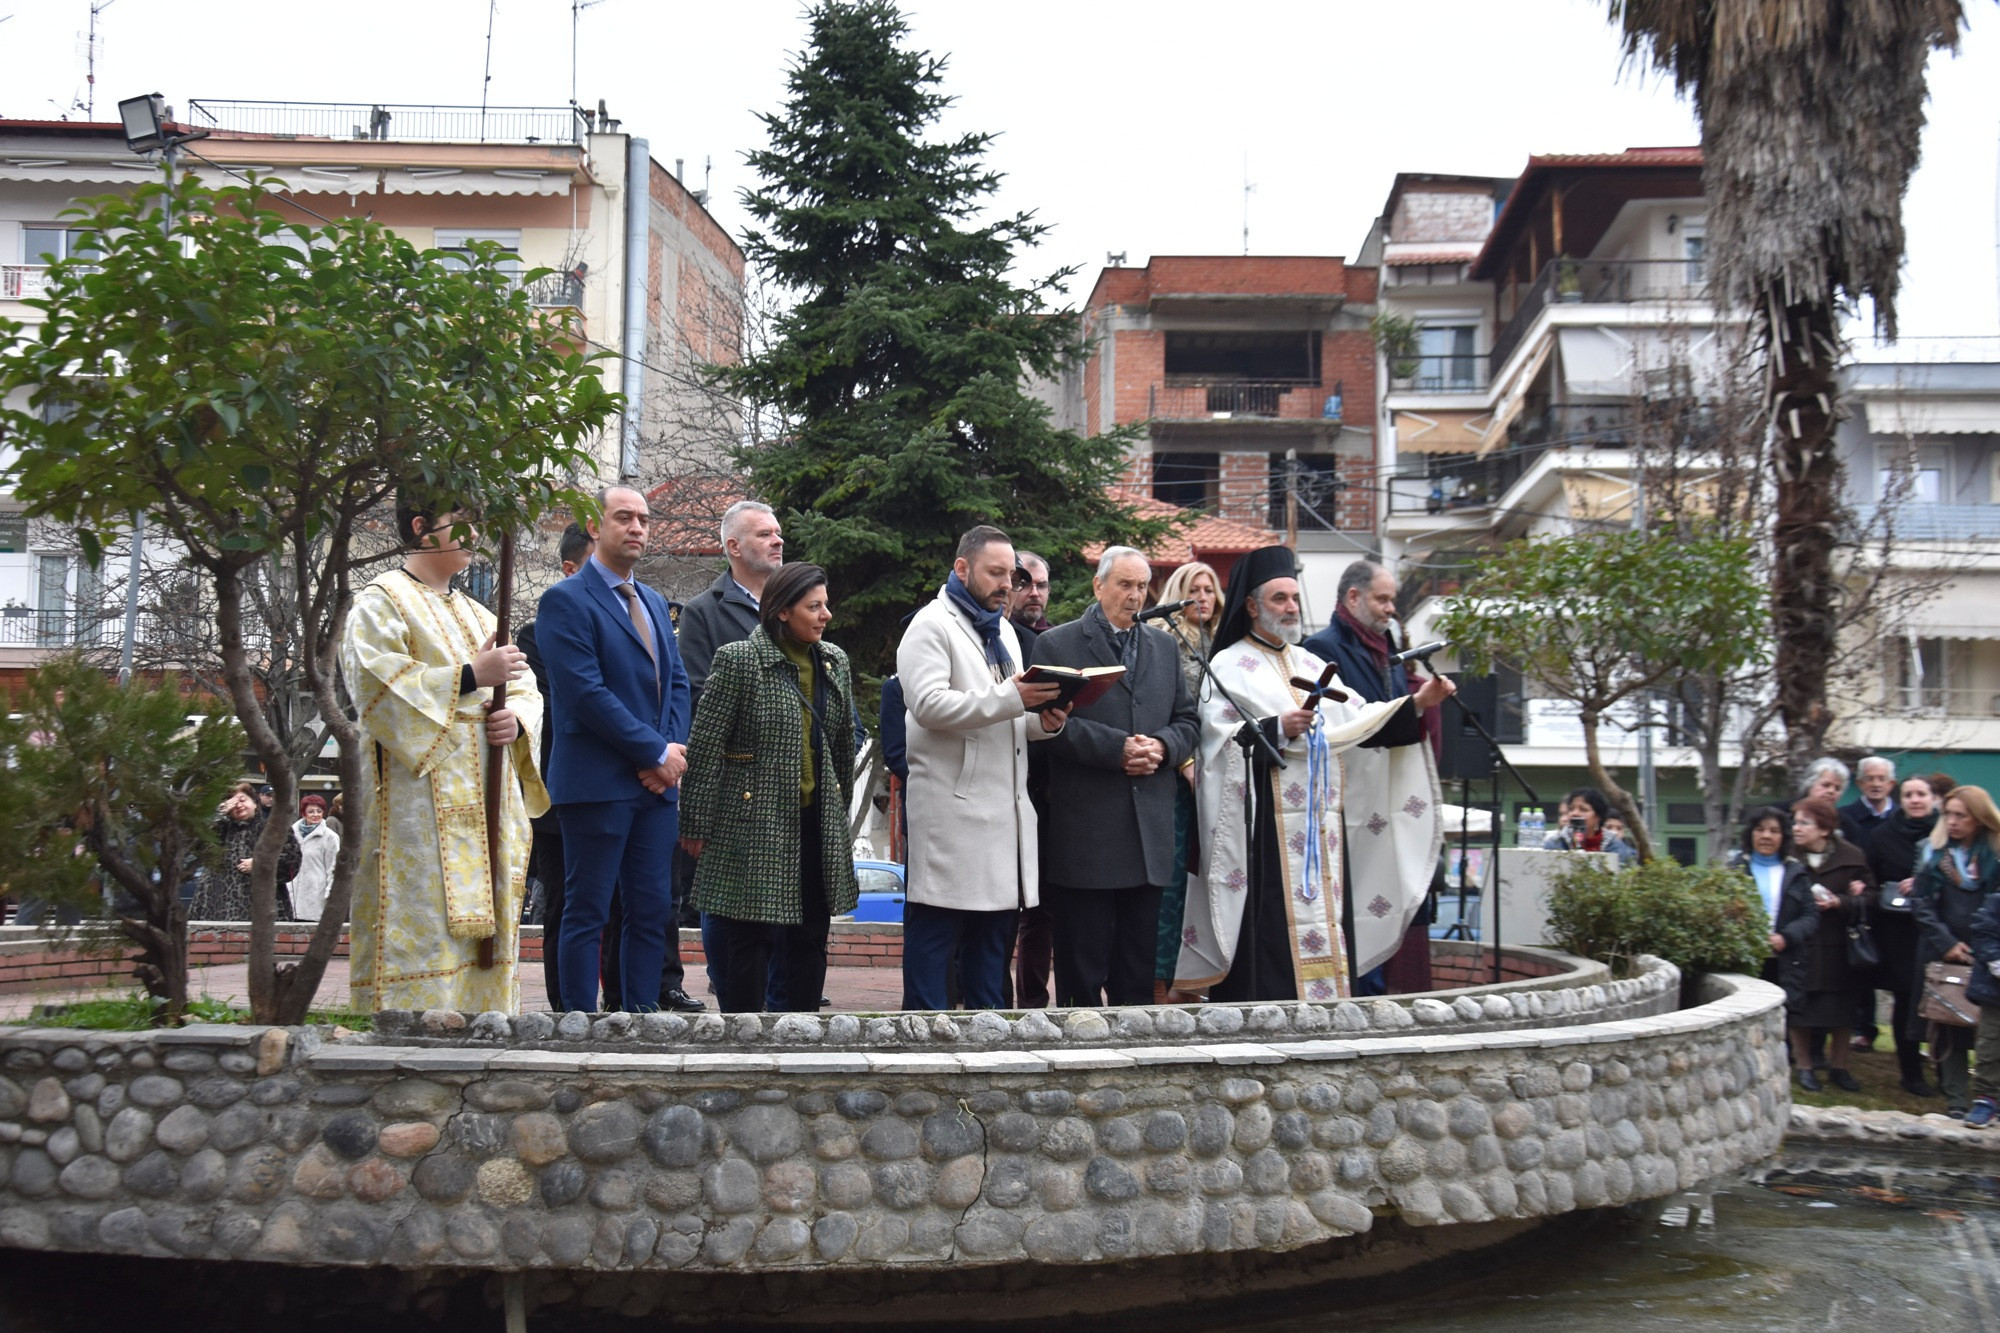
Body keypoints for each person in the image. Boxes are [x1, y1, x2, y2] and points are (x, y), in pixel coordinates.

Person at [1175, 545, 1448, 1002]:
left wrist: (1417, 704)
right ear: (1251, 606)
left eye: (1294, 598)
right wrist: (1276, 729)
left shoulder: (1313, 665)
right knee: (1270, 932)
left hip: (1322, 828)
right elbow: (1215, 744)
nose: (1290, 608)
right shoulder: (1227, 666)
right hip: (1263, 828)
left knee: (1327, 911)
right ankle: (1263, 1008)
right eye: (1279, 598)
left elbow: (1360, 719)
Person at [338, 493, 543, 1012]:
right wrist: (473, 676)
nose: (475, 536)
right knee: (422, 914)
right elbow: (374, 683)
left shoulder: (479, 614)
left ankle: (486, 1023)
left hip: (486, 794)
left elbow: (523, 684)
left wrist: (514, 720)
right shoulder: (381, 600)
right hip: (417, 800)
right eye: (463, 523)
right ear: (421, 527)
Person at [898, 524, 1069, 1010]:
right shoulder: (930, 625)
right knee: (936, 942)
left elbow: (1007, 721)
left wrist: (1047, 721)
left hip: (1003, 820)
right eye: (995, 573)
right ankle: (922, 1052)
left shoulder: (1004, 634)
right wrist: (1013, 697)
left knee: (992, 952)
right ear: (961, 568)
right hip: (954, 816)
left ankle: (988, 1051)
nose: (1005, 585)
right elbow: (928, 706)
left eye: (1010, 576)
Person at [536, 485, 691, 1014]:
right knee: (589, 909)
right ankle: (578, 1023)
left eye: (644, 520)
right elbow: (585, 693)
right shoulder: (565, 599)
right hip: (597, 783)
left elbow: (676, 684)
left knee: (651, 910)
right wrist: (653, 753)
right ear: (594, 526)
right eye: (624, 517)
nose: (637, 528)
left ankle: (640, 1018)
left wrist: (672, 753)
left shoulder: (650, 599)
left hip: (655, 787)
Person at [680, 563, 859, 1013]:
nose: (826, 615)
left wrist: (838, 817)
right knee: (748, 940)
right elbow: (705, 746)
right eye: (813, 606)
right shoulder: (739, 659)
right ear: (782, 611)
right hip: (751, 824)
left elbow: (840, 751)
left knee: (809, 938)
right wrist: (696, 824)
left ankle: (799, 1038)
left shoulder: (835, 662)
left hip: (814, 825)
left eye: (826, 604)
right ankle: (743, 1045)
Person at [1031, 547, 1200, 1008]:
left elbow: (1188, 722)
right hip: (1088, 837)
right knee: (1081, 977)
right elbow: (1049, 725)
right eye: (1124, 585)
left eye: (1142, 586)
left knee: (1135, 979)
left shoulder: (1164, 647)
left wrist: (1164, 748)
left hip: (1148, 836)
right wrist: (1117, 750)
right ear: (1098, 586)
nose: (1134, 596)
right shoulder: (1058, 645)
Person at [1302, 557, 1455, 994]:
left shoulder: (1386, 652)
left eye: (1392, 600)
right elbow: (1352, 721)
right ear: (1353, 597)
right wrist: (1417, 704)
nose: (1391, 609)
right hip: (1353, 809)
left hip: (1390, 809)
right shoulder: (1323, 649)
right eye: (1382, 599)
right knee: (1358, 917)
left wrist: (1424, 701)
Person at [1909, 784, 2000, 1117]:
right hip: (1940, 948)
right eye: (1948, 814)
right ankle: (1957, 1099)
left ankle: (1989, 1096)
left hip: (1987, 950)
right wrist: (1946, 943)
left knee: (1990, 1028)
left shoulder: (1996, 854)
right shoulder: (1934, 853)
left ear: (1978, 818)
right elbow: (1920, 902)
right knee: (1949, 1023)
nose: (1953, 822)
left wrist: (1983, 948)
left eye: (1961, 815)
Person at [1153, 560, 1221, 1001]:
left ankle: (1198, 977)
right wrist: (1185, 764)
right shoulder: (1165, 644)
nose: (1202, 596)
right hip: (1179, 779)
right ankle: (1161, 981)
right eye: (1193, 588)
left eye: (1210, 589)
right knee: (1174, 880)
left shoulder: (1222, 646)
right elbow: (1167, 713)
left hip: (1221, 776)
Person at [1784, 798, 1875, 1092]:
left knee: (1843, 1009)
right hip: (1802, 943)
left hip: (1839, 944)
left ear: (1824, 829)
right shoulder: (1787, 856)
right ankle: (1805, 1066)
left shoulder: (1852, 856)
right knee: (1801, 1007)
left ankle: (1840, 1067)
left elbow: (1872, 896)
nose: (1796, 828)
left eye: (1804, 823)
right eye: (1795, 822)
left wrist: (1843, 901)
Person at [1866, 774, 1943, 1096]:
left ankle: (1944, 1070)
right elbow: (1870, 876)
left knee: (1942, 999)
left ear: (1933, 798)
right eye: (1909, 794)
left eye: (1921, 794)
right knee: (1906, 998)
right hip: (1897, 929)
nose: (1914, 799)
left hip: (1940, 927)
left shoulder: (1945, 831)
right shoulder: (1883, 834)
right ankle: (1910, 1073)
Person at [1731, 807, 1818, 1069]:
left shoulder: (1795, 872)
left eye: (1774, 831)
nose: (1766, 836)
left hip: (1785, 958)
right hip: (1746, 959)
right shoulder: (1736, 869)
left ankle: (1782, 1066)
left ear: (1784, 836)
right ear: (1750, 834)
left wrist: (1786, 937)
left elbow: (1810, 915)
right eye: (1760, 830)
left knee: (1784, 1015)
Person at [1008, 549, 1056, 1009]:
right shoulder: (1002, 640)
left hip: (1051, 793)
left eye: (1042, 585)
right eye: (1025, 583)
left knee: (1042, 913)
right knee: (1005, 911)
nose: (1034, 593)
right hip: (1005, 788)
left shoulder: (1056, 641)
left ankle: (1034, 1005)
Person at [195, 781, 302, 922]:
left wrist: (260, 864)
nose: (238, 805)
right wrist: (218, 815)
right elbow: (197, 846)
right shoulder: (219, 829)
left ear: (254, 802)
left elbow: (292, 862)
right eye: (232, 802)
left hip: (263, 910)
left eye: (242, 800)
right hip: (217, 908)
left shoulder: (274, 829)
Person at [1965, 889, 2000, 1127]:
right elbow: (1983, 933)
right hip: (1996, 989)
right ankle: (1986, 1098)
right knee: (1991, 1042)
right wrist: (1996, 962)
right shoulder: (1996, 901)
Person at [1542, 788, 1640, 867]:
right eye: (1571, 809)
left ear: (1598, 817)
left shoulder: (1615, 847)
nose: (1575, 813)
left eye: (1583, 809)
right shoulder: (1555, 844)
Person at [287, 795, 340, 923]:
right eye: (311, 811)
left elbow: (333, 868)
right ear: (303, 813)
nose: (315, 815)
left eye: (319, 811)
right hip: (290, 895)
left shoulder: (330, 837)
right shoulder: (290, 834)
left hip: (315, 897)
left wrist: (330, 894)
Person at [1840, 755, 1898, 848]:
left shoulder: (1902, 817)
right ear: (1859, 783)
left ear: (1891, 784)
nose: (1876, 784)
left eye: (1882, 779)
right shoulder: (1843, 817)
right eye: (1869, 779)